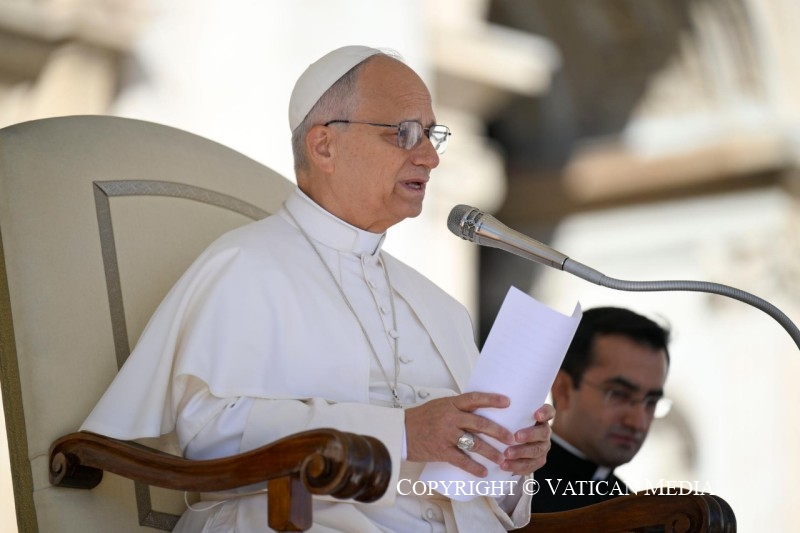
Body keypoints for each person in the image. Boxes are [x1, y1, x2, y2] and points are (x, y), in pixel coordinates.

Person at [81, 45, 555, 532]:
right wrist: (403, 433)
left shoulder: (441, 308)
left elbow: (478, 486)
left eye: (433, 135)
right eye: (405, 133)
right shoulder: (246, 264)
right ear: (324, 146)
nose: (430, 157)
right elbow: (209, 434)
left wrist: (510, 461)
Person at [531, 307, 671, 513]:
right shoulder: (511, 492)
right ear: (563, 389)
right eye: (619, 394)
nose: (638, 422)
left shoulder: (634, 510)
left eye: (651, 402)